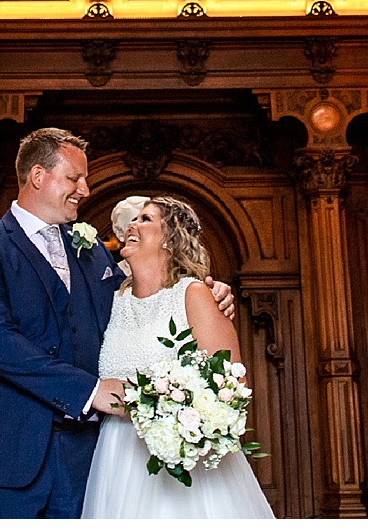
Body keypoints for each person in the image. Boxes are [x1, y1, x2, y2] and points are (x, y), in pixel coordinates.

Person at [0, 129, 237, 518]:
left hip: (87, 457)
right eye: (74, 179)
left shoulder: (93, 248)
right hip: (4, 449)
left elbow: (142, 301)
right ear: (37, 176)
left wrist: (208, 292)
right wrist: (91, 391)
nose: (84, 190)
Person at [82, 195, 274, 518]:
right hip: (115, 458)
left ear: (171, 239)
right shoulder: (113, 301)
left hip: (185, 465)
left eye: (145, 219)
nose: (133, 225)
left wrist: (174, 413)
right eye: (134, 219)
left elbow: (231, 388)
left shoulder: (194, 294)